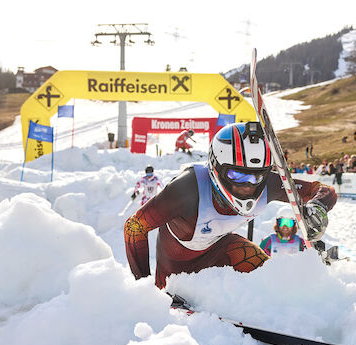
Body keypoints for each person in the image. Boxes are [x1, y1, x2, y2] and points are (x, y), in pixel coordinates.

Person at [124, 122, 336, 289]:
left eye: (256, 177)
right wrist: (143, 285)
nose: (247, 186)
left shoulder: (267, 184)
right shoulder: (186, 189)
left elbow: (322, 190)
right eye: (236, 175)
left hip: (220, 250)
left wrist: (318, 206)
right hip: (174, 267)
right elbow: (135, 227)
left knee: (269, 279)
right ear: (215, 166)